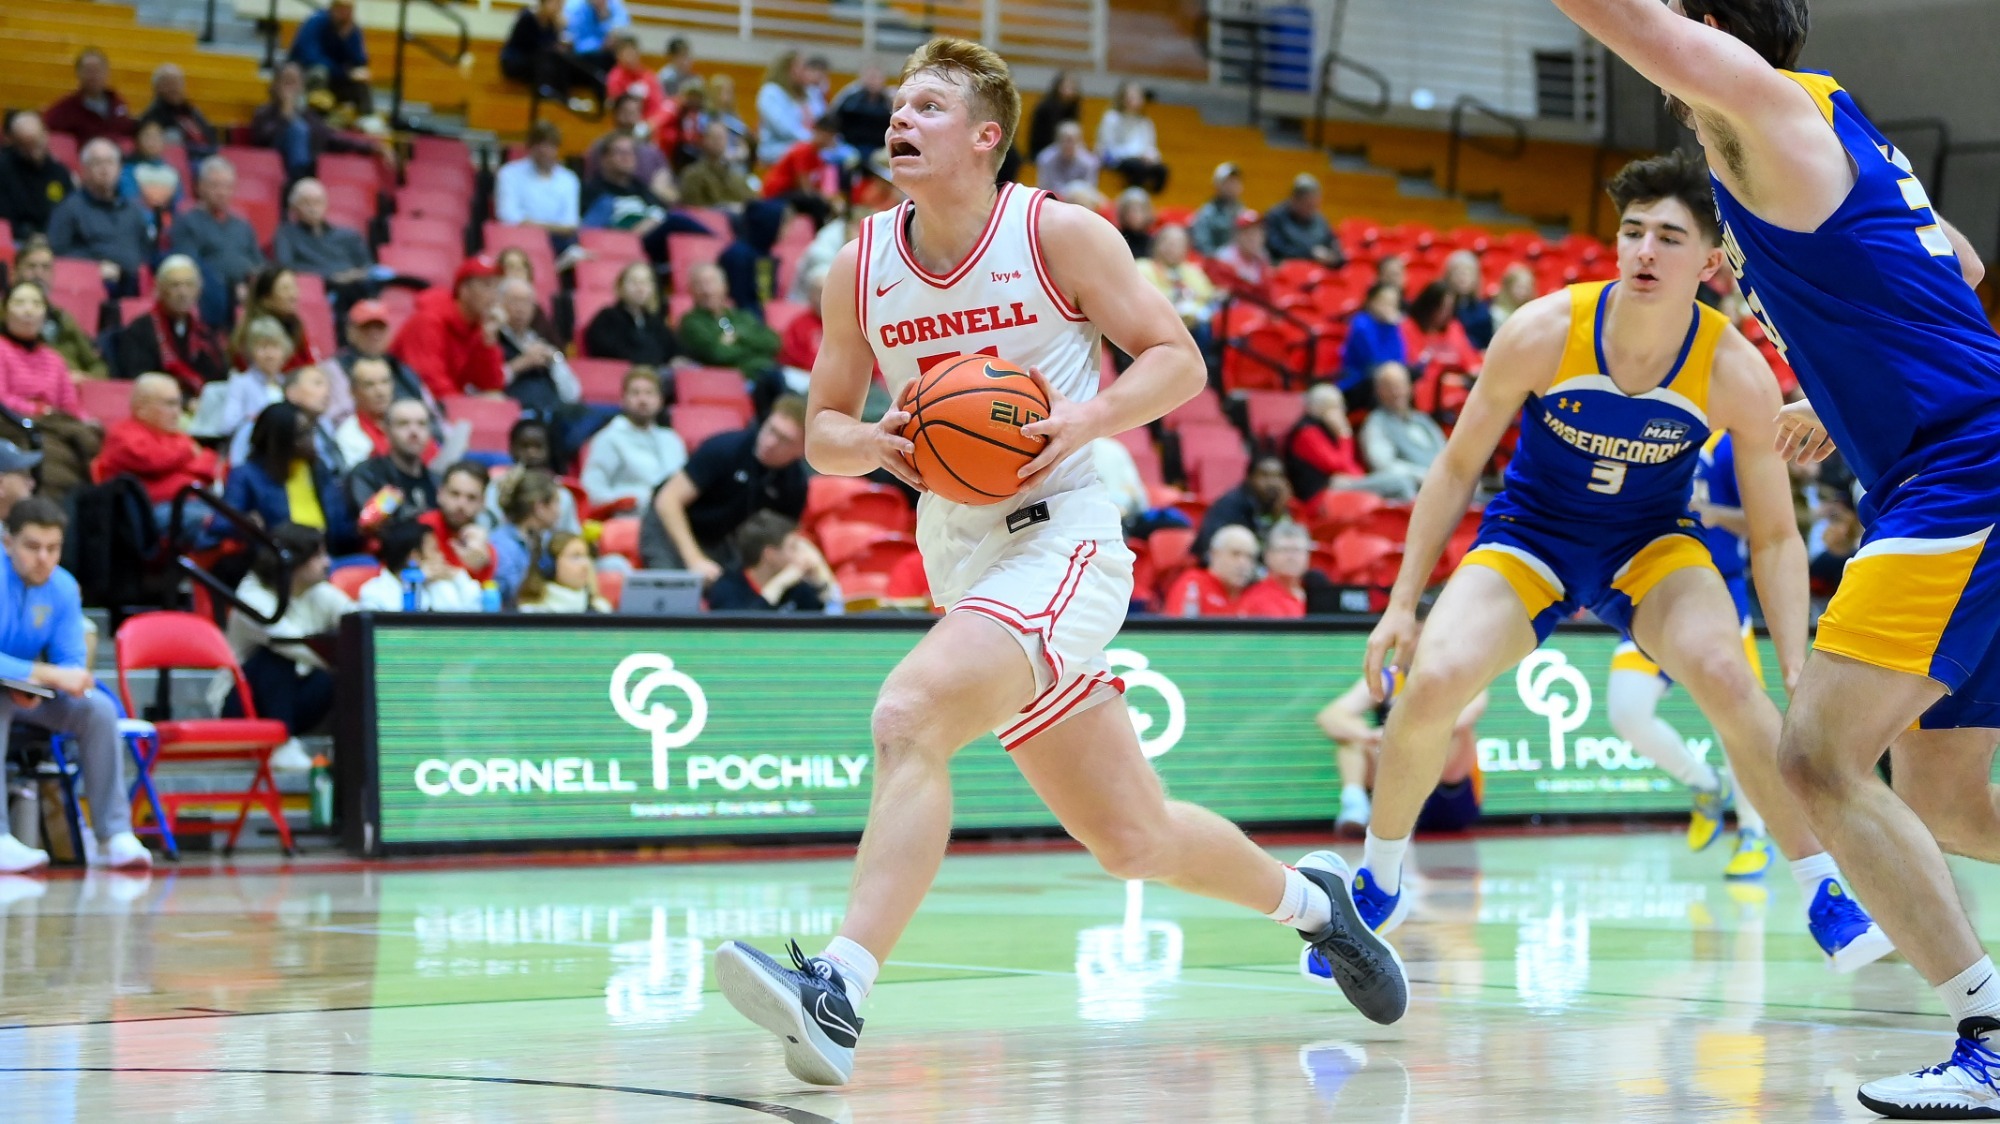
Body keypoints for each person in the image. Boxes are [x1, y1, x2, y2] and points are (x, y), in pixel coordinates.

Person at [711, 40, 1403, 1088]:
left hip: (1065, 530)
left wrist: (1081, 417)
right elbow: (819, 430)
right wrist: (876, 440)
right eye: (898, 105)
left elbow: (1178, 358)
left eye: (930, 106)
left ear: (986, 135)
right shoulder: (860, 262)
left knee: (908, 715)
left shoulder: (1055, 232)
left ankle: (838, 990)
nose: (902, 120)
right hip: (960, 548)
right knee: (1131, 835)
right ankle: (1321, 906)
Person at [1558, 0, 2000, 1107]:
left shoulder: (1758, 101)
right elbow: (1955, 253)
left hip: (1963, 466)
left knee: (1814, 760)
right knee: (1943, 795)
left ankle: (1987, 1040)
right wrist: (1840, 386)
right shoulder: (1822, 124)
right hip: (1949, 452)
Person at [1351, 151, 1889, 998]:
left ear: (1709, 263)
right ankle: (1376, 884)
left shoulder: (1734, 368)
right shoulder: (1541, 330)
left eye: (1669, 237)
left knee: (1728, 676)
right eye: (1632, 232)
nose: (1644, 251)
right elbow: (1454, 470)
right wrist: (1399, 606)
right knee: (1433, 680)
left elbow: (1780, 538)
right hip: (1533, 534)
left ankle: (1823, 890)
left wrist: (1794, 662)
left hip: (1651, 542)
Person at [1605, 430, 1774, 878]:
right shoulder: (1647, 429)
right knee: (1626, 711)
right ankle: (1704, 784)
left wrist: (1716, 514)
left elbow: (1768, 522)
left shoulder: (1728, 443)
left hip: (1718, 593)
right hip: (1653, 592)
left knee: (1733, 723)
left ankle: (1754, 833)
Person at [0, 498, 151, 873]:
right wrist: (43, 675)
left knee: (97, 709)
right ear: (8, 544)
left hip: (31, 694)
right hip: (7, 693)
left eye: (53, 548)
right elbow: (56, 672)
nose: (44, 559)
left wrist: (50, 681)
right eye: (32, 547)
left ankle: (114, 834)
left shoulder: (63, 587)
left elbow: (71, 663)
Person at [1318, 636, 1487, 838]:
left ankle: (1403, 814)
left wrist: (1402, 732)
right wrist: (1369, 735)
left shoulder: (1458, 677)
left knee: (1456, 733)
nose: (1419, 645)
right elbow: (1329, 716)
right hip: (1395, 785)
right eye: (1414, 637)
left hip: (1447, 792)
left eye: (1428, 636)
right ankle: (1355, 804)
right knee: (1350, 735)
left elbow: (1470, 712)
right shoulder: (1390, 678)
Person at [223, 521, 353, 764]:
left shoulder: (318, 591)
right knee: (277, 655)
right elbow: (291, 643)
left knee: (342, 672)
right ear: (295, 561)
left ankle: (351, 748)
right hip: (241, 705)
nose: (327, 562)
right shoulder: (251, 596)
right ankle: (281, 746)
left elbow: (357, 616)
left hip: (295, 700)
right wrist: (340, 654)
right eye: (319, 555)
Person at [641, 394, 807, 576]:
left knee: (728, 596)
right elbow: (668, 500)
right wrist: (694, 560)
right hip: (670, 524)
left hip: (720, 539)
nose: (770, 442)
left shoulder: (795, 483)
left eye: (785, 440)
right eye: (771, 430)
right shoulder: (725, 449)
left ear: (803, 450)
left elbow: (783, 536)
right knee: (677, 589)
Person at [221, 402, 354, 551]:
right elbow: (220, 525)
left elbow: (341, 525)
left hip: (327, 553)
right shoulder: (246, 475)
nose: (312, 439)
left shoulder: (316, 468)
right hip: (277, 561)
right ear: (282, 441)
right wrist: (244, 524)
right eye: (303, 434)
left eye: (311, 430)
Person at [93, 373, 222, 526]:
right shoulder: (122, 435)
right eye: (169, 404)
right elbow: (154, 460)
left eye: (179, 404)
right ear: (141, 408)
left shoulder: (174, 435)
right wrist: (187, 453)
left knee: (239, 519)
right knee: (225, 524)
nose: (177, 412)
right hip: (148, 516)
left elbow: (209, 465)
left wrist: (177, 464)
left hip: (192, 502)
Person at [389, 256, 507, 399]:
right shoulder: (428, 321)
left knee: (495, 399)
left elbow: (491, 386)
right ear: (464, 290)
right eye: (487, 285)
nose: (494, 295)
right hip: (407, 403)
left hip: (446, 406)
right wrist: (463, 408)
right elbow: (428, 381)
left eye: (497, 287)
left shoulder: (478, 328)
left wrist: (489, 343)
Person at [249, 62, 387, 181]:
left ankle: (304, 179)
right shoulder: (264, 113)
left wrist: (372, 147)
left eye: (294, 82)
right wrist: (286, 114)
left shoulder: (308, 115)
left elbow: (332, 138)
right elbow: (262, 139)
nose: (290, 88)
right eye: (286, 81)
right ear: (275, 85)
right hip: (273, 172)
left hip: (311, 172)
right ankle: (300, 179)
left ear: (301, 87)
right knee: (297, 129)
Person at [47, 139, 150, 297]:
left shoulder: (133, 210)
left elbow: (145, 250)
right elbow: (58, 253)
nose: (104, 169)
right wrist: (94, 268)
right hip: (89, 287)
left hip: (133, 285)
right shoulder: (69, 208)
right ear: (84, 170)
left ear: (120, 169)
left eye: (110, 162)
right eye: (97, 163)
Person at [110, 255, 226, 392]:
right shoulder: (140, 330)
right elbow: (140, 380)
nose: (183, 293)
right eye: (175, 285)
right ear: (160, 289)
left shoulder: (204, 332)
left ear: (198, 290)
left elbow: (219, 377)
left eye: (189, 285)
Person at [170, 157, 268, 316]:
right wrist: (232, 287)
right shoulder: (187, 222)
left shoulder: (242, 225)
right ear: (200, 187)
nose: (222, 192)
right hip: (211, 293)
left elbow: (258, 263)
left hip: (245, 291)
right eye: (215, 186)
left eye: (227, 186)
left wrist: (252, 286)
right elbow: (189, 266)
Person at [1285, 382, 1411, 502]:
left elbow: (1350, 468)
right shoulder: (1307, 433)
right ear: (1319, 409)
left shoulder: (1328, 430)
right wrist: (1344, 435)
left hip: (1345, 484)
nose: (1342, 412)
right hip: (1322, 496)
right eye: (1335, 407)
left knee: (1396, 483)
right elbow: (1338, 465)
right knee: (1399, 482)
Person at [581, 365, 686, 509]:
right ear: (623, 399)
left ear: (660, 400)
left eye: (649, 393)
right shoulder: (609, 438)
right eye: (635, 393)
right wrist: (630, 502)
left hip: (671, 518)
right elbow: (593, 490)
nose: (642, 400)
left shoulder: (672, 439)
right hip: (628, 519)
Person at [10, 237, 109, 379]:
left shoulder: (63, 318)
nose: (39, 274)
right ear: (15, 272)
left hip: (74, 389)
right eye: (31, 266)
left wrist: (87, 379)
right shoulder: (6, 316)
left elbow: (97, 365)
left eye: (45, 267)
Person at [706, 510, 840, 612]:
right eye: (793, 547)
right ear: (770, 554)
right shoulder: (726, 588)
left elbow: (831, 628)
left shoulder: (798, 588)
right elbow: (741, 634)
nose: (800, 554)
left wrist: (820, 578)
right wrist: (778, 585)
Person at [345, 398, 441, 529]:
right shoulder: (367, 475)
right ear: (386, 430)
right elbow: (369, 528)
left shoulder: (437, 481)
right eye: (403, 424)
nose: (414, 432)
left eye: (422, 424)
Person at [192, 315, 289, 442]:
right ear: (251, 352)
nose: (269, 354)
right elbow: (227, 425)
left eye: (275, 347)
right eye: (263, 347)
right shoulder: (241, 383)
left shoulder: (288, 383)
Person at [273, 177, 373, 299]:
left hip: (354, 290)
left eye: (317, 202)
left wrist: (354, 275)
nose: (312, 208)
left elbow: (367, 266)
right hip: (314, 292)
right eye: (305, 202)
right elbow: (285, 267)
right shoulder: (286, 234)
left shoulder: (349, 235)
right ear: (293, 208)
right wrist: (331, 278)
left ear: (326, 204)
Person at [230, 363, 341, 470]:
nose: (326, 392)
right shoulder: (260, 424)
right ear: (291, 391)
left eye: (328, 386)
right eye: (317, 383)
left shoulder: (325, 425)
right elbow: (239, 467)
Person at [0, 281, 84, 421]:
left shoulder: (54, 359)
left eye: (37, 304)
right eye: (19, 303)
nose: (29, 310)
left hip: (52, 425)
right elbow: (2, 399)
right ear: (5, 312)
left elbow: (70, 405)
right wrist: (38, 410)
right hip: (11, 424)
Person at [1358, 361, 1445, 493]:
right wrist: (1422, 476)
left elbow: (1446, 454)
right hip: (1414, 491)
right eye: (1389, 387)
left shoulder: (1423, 420)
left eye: (1400, 385)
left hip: (1442, 487)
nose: (1396, 392)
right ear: (1379, 392)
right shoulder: (1376, 423)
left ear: (1410, 387)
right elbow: (1384, 465)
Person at [677, 262, 778, 375]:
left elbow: (772, 342)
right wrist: (754, 348)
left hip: (768, 371)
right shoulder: (691, 322)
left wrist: (738, 336)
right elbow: (718, 354)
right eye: (699, 285)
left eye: (711, 283)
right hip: (732, 381)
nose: (707, 291)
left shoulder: (741, 316)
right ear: (690, 290)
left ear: (725, 286)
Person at [356, 519, 480, 611]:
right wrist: (415, 581)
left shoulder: (439, 585)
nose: (441, 556)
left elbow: (471, 619)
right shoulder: (373, 593)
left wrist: (459, 576)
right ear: (414, 556)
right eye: (434, 549)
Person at [497, 278, 579, 415]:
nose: (520, 308)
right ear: (500, 305)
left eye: (526, 302)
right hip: (516, 412)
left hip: (553, 411)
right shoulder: (493, 338)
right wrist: (522, 363)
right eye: (514, 301)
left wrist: (554, 361)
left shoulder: (541, 340)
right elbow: (483, 386)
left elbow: (572, 393)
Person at [484, 417, 580, 533]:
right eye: (524, 446)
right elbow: (485, 530)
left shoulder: (562, 494)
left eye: (538, 446)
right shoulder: (495, 488)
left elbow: (571, 536)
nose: (531, 453)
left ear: (549, 450)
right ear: (511, 449)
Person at [1402, 281, 1483, 413]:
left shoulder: (1454, 327)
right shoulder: (1408, 327)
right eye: (1441, 307)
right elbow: (1415, 365)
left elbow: (1470, 362)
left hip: (1459, 390)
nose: (1445, 313)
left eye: (1449, 308)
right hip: (1426, 392)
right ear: (1428, 305)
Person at [495, 122, 581, 245]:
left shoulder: (569, 179)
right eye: (539, 145)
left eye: (550, 146)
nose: (544, 151)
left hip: (557, 242)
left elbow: (570, 224)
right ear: (530, 147)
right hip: (518, 238)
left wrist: (532, 225)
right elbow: (508, 217)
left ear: (557, 148)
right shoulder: (509, 173)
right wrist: (553, 229)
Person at [1195, 455, 1294, 559]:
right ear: (1249, 478)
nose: (1272, 483)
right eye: (1265, 476)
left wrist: (1278, 515)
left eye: (1278, 476)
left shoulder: (1277, 503)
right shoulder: (1230, 505)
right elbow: (1209, 548)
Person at [490, 467, 565, 604]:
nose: (559, 511)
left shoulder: (544, 539)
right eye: (556, 502)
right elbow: (510, 596)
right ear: (540, 507)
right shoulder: (502, 546)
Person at [417, 461, 497, 585]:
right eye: (454, 494)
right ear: (440, 494)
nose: (461, 504)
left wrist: (480, 568)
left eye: (471, 498)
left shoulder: (485, 551)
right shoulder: (419, 528)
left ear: (482, 502)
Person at [288, 0, 374, 115]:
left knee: (361, 80)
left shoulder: (352, 29)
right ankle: (313, 115)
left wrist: (346, 39)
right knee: (319, 72)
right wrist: (345, 73)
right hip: (306, 73)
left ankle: (367, 119)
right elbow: (311, 58)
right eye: (341, 9)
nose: (345, 13)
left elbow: (360, 61)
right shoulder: (316, 22)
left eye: (349, 10)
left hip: (336, 75)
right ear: (333, 8)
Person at [584, 262, 679, 364]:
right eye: (634, 282)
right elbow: (604, 349)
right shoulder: (607, 318)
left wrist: (678, 359)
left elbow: (674, 349)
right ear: (620, 287)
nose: (640, 288)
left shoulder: (655, 321)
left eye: (646, 282)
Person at [1239, 520, 1339, 617]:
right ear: (1268, 555)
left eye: (1297, 550)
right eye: (1284, 550)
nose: (1291, 557)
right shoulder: (1258, 598)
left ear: (1308, 555)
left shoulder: (1316, 592)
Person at [230, 266, 318, 371]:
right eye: (285, 289)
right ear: (266, 299)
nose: (294, 295)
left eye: (294, 287)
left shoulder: (295, 324)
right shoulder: (254, 333)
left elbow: (310, 364)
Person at [0, 113, 74, 238]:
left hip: (55, 239)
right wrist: (30, 235)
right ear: (14, 143)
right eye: (26, 146)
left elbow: (70, 212)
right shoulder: (3, 170)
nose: (34, 153)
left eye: (37, 143)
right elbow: (5, 220)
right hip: (19, 239)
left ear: (46, 135)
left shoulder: (59, 172)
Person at [43, 48, 135, 145]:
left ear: (107, 72)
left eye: (98, 70)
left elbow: (129, 130)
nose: (93, 75)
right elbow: (43, 125)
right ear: (78, 73)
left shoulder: (118, 103)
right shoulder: (67, 108)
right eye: (88, 70)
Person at [1164, 522, 1259, 616]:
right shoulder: (1193, 585)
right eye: (1235, 554)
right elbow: (1180, 628)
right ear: (1214, 554)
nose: (1243, 563)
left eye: (1250, 557)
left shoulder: (1256, 593)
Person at [1096, 80, 1165, 193]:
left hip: (1139, 160)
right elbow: (1107, 147)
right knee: (1136, 167)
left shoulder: (1145, 122)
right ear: (1122, 98)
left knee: (1161, 170)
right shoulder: (1111, 118)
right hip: (1115, 159)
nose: (1135, 100)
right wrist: (1137, 155)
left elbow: (1150, 146)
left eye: (1138, 96)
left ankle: (1148, 199)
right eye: (1131, 96)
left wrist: (1152, 156)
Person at [137, 63, 218, 158]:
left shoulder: (191, 111)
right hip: (179, 161)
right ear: (157, 88)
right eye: (168, 83)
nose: (175, 88)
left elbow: (211, 137)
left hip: (208, 157)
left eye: (178, 82)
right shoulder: (153, 115)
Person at [1340, 284, 1409, 396]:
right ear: (1371, 301)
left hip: (1385, 377)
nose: (1388, 307)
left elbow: (1400, 358)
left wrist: (1391, 327)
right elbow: (1372, 359)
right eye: (1384, 301)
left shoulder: (1393, 327)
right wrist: (1389, 327)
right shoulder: (1361, 324)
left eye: (1393, 303)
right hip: (1359, 380)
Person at [516, 531, 610, 612]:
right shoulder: (530, 612)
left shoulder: (601, 609)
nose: (585, 565)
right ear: (550, 565)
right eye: (576, 556)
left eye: (586, 556)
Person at [1263, 174, 1343, 266]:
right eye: (1307, 204)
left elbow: (1332, 243)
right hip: (1287, 270)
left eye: (1315, 205)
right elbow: (1276, 249)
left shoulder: (1320, 220)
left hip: (1317, 271)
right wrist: (1310, 254)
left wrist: (1332, 255)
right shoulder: (1275, 216)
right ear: (1295, 200)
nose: (1311, 210)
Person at [679, 121, 757, 208]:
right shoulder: (693, 174)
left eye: (721, 138)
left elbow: (752, 202)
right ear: (704, 140)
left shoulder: (735, 176)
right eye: (714, 138)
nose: (718, 142)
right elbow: (694, 209)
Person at [755, 50, 813, 166]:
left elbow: (821, 122)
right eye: (802, 67)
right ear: (788, 69)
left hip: (803, 146)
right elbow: (784, 129)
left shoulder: (808, 95)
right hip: (776, 150)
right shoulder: (771, 92)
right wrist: (813, 141)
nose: (806, 72)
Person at [119, 119, 183, 218]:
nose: (152, 141)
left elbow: (180, 204)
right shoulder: (127, 170)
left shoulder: (171, 172)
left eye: (157, 136)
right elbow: (130, 201)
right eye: (147, 136)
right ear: (137, 140)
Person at [832, 63, 894, 163]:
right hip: (851, 146)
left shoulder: (889, 101)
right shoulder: (850, 98)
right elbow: (835, 119)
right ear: (862, 78)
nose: (873, 81)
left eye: (877, 77)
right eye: (870, 77)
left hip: (879, 148)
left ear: (883, 80)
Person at [1034, 121, 1100, 206]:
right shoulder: (1046, 159)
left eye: (1072, 141)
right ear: (1057, 141)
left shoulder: (1089, 163)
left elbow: (1090, 190)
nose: (1069, 145)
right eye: (1065, 140)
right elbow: (1043, 187)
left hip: (1080, 203)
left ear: (1080, 142)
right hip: (1053, 202)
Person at [1023, 70, 1081, 166]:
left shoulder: (1073, 108)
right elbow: (1041, 137)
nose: (1071, 90)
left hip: (1064, 148)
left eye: (1073, 87)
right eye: (1068, 86)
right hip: (1043, 149)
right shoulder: (1045, 107)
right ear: (1058, 87)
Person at [1210, 210, 1271, 299]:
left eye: (1258, 233)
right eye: (1248, 234)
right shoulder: (1224, 259)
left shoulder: (1263, 257)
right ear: (1236, 236)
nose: (1253, 239)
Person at [1190, 161, 1245, 256]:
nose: (1232, 186)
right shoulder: (1206, 213)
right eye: (1228, 182)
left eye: (1235, 181)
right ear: (1217, 185)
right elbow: (1203, 247)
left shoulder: (1243, 210)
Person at [1444, 250, 1495, 350]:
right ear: (1448, 276)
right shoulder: (1442, 307)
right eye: (1458, 272)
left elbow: (1487, 344)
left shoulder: (1483, 311)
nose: (1462, 277)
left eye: (1468, 272)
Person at [561, 0, 629, 63]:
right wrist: (600, 45)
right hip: (583, 56)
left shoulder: (612, 3)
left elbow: (623, 22)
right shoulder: (575, 7)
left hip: (609, 53)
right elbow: (575, 42)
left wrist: (606, 17)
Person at [1488, 262, 1537, 331]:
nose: (1523, 292)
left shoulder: (1533, 311)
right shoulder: (1497, 313)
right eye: (1519, 287)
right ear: (1509, 287)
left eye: (1527, 288)